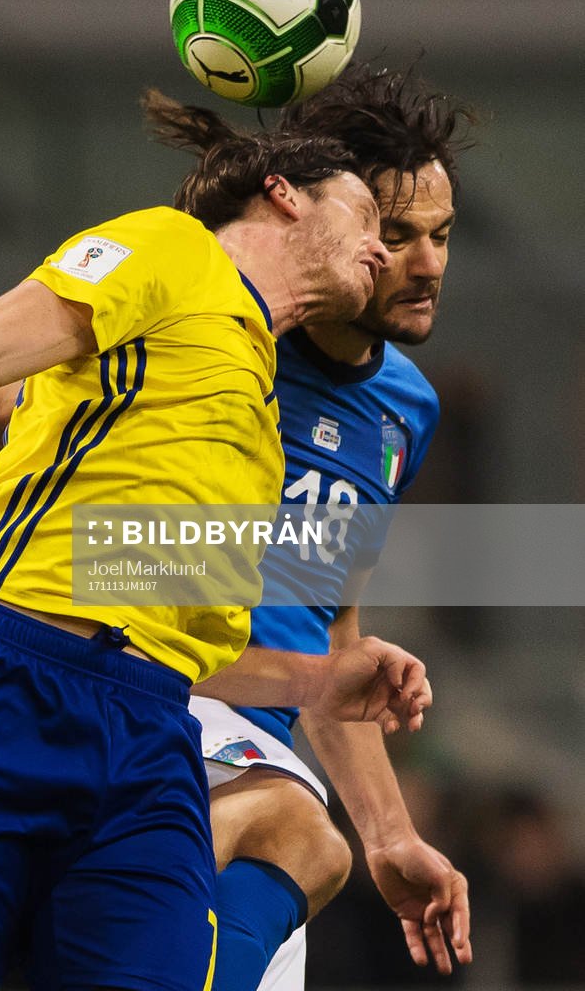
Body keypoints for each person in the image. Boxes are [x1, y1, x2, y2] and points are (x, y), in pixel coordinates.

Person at [0, 129, 429, 991]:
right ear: (282, 193)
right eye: (367, 215)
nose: (382, 247)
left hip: (150, 734)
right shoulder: (174, 249)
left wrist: (318, 682)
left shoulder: (257, 425)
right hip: (2, 683)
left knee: (293, 863)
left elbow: (189, 638)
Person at [165, 63, 476, 991]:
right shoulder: (221, 341)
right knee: (305, 839)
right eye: (399, 236)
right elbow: (19, 384)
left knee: (314, 847)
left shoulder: (404, 410)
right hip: (157, 703)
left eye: (443, 237)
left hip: (268, 744)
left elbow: (328, 633)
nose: (427, 264)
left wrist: (391, 833)